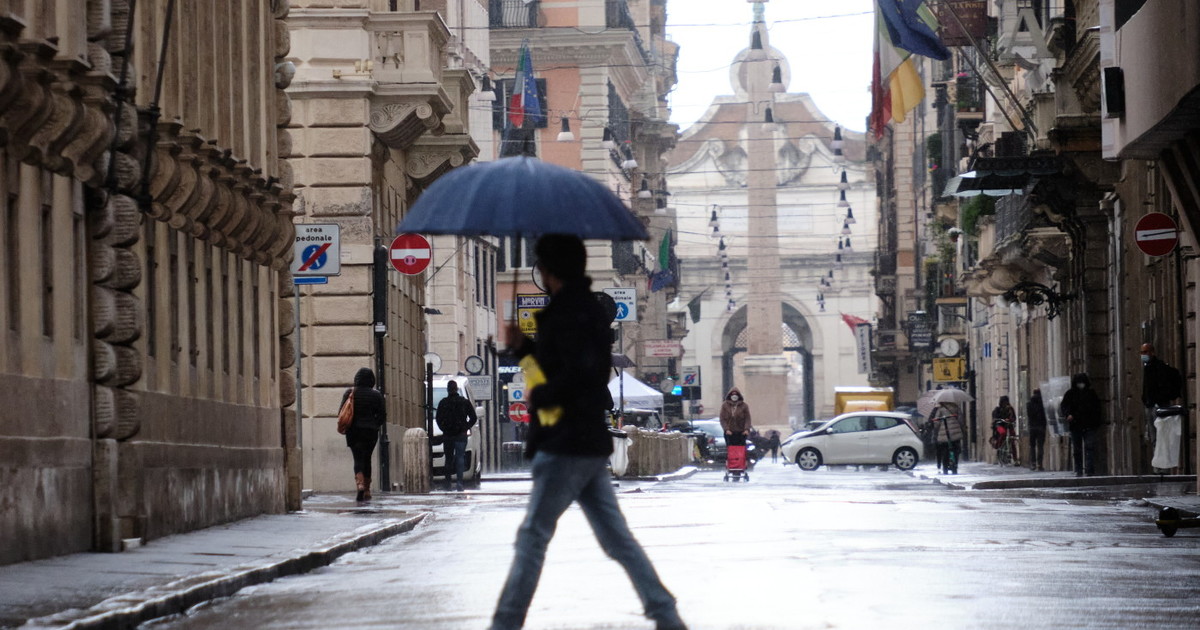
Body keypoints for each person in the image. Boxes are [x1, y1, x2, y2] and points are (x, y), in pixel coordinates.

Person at [491, 234, 686, 630]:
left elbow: (571, 380)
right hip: (585, 442)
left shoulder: (569, 315)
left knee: (532, 538)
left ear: (549, 270)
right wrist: (524, 351)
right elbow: (564, 372)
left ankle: (505, 623)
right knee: (617, 540)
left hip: (566, 442)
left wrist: (539, 385)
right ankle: (665, 613)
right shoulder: (582, 312)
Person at [340, 367, 386, 502]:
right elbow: (382, 416)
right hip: (370, 432)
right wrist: (375, 425)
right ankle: (366, 489)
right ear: (372, 380)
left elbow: (342, 412)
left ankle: (359, 484)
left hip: (354, 431)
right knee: (367, 459)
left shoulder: (350, 393)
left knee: (358, 458)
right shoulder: (376, 395)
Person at [436, 380, 477, 492]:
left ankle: (448, 482)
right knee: (460, 458)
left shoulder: (443, 403)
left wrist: (444, 428)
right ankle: (459, 482)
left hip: (448, 435)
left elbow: (439, 418)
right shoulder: (464, 402)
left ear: (448, 390)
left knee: (448, 458)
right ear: (457, 389)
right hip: (461, 435)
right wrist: (466, 427)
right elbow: (473, 417)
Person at [1059, 372, 1102, 477]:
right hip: (1076, 425)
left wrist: (1095, 421)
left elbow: (1097, 408)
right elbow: (1064, 406)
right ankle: (1079, 469)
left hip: (1088, 425)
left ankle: (1089, 469)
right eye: (1079, 383)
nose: (1080, 384)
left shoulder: (1091, 393)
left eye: (1082, 382)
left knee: (1089, 447)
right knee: (1078, 449)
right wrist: (1068, 414)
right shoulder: (1070, 394)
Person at [931, 403, 964, 474]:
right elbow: (961, 420)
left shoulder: (940, 409)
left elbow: (937, 423)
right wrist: (960, 428)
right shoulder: (956, 407)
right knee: (955, 450)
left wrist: (936, 431)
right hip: (955, 432)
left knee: (945, 450)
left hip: (944, 433)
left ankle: (945, 468)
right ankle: (955, 466)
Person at [991, 395, 1019, 466]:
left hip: (1008, 425)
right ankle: (999, 445)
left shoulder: (1010, 409)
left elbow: (1013, 417)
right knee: (1003, 433)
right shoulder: (997, 409)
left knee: (1012, 438)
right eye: (1004, 402)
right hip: (1000, 425)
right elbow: (995, 418)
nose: (1005, 404)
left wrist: (1010, 419)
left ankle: (1015, 459)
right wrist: (999, 420)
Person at [1026, 389, 1048, 471]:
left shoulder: (1029, 404)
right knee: (1040, 446)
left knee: (1032, 446)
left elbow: (1029, 415)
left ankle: (1033, 463)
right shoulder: (1043, 404)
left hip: (1032, 427)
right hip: (1041, 427)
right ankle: (1040, 464)